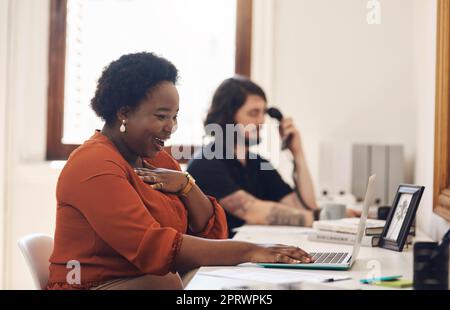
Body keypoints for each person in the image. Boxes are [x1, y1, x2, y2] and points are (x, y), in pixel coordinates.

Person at [47, 53, 312, 290]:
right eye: (162, 116)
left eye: (175, 116)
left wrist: (187, 186)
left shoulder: (157, 157)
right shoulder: (93, 165)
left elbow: (210, 234)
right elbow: (153, 247)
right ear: (124, 114)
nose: (171, 127)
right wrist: (251, 251)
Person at [187, 77, 322, 237]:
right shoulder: (206, 163)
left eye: (263, 113)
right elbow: (254, 212)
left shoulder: (258, 162)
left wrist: (297, 152)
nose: (261, 121)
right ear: (228, 117)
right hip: (219, 258)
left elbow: (303, 207)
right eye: (253, 113)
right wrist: (322, 217)